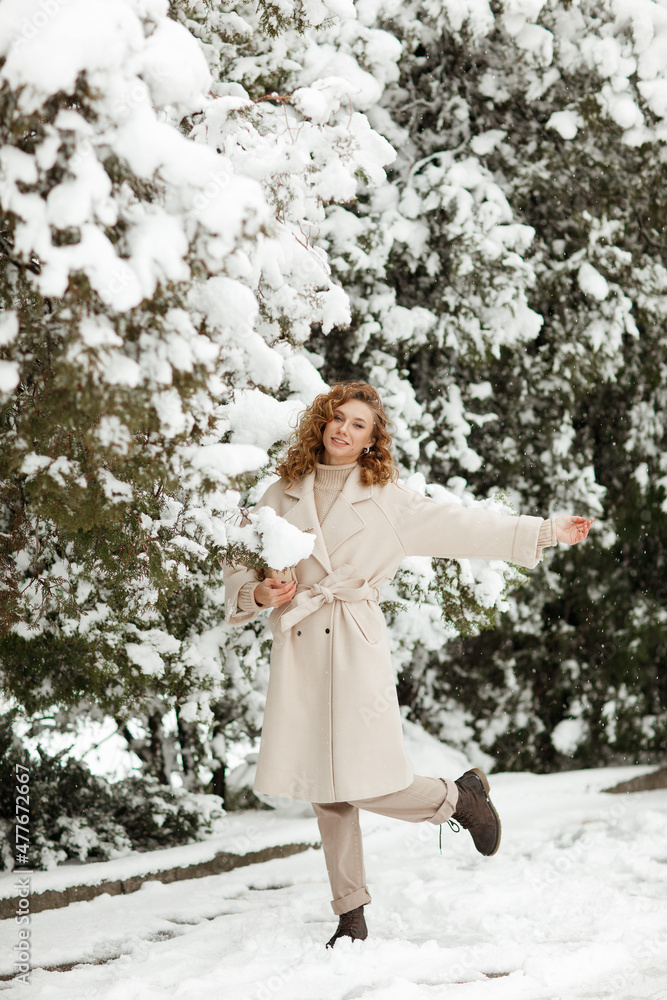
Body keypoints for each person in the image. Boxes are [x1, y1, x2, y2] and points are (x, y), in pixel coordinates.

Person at [224, 381, 593, 948]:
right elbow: (240, 566)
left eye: (358, 424)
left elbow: (461, 527)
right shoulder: (279, 493)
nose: (343, 429)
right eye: (337, 417)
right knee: (326, 789)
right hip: (300, 647)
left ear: (372, 440)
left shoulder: (387, 498)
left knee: (365, 780)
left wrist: (542, 531)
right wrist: (259, 593)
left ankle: (459, 799)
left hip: (355, 643)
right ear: (322, 421)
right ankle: (351, 914)